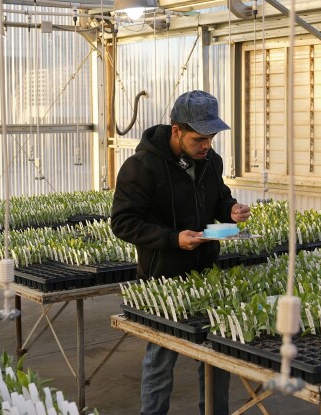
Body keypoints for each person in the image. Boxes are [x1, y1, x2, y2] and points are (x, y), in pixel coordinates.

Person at [111, 90, 251, 415]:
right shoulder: (141, 167)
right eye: (199, 138)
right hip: (163, 278)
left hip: (205, 272)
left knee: (217, 353)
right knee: (161, 357)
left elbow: (219, 198)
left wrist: (231, 210)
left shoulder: (210, 162)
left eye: (211, 138)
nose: (206, 145)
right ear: (176, 131)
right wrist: (174, 240)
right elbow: (123, 223)